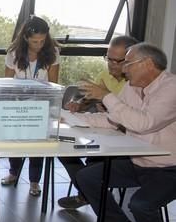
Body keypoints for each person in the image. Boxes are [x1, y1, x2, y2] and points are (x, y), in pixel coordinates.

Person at [74, 43, 176, 222]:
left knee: (141, 204)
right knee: (87, 177)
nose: (123, 71)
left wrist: (107, 96)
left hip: (169, 168)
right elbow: (113, 119)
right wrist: (69, 118)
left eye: (127, 64)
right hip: (138, 161)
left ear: (147, 64)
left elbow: (144, 123)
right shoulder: (132, 87)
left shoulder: (171, 89)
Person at [57, 35, 138, 209]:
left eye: (118, 61)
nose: (112, 65)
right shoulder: (105, 75)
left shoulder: (136, 83)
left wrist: (108, 101)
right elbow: (90, 98)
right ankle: (88, 193)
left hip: (127, 138)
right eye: (109, 59)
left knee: (94, 163)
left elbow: (135, 118)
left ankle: (90, 193)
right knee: (65, 150)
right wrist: (79, 105)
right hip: (105, 128)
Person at [1, 16, 60, 196]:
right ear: (26, 38)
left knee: (38, 145)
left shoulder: (53, 52)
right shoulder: (13, 53)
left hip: (41, 104)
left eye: (42, 40)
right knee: (16, 141)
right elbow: (7, 82)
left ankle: (34, 181)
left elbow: (54, 83)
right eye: (35, 41)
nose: (39, 44)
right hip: (17, 104)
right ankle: (13, 173)